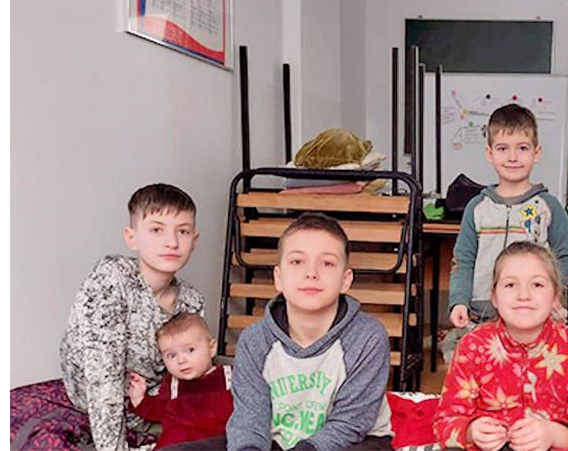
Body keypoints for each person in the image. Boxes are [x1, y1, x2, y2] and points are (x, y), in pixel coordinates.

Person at [220, 212, 392, 451]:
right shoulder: (254, 340)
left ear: (345, 280)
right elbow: (250, 419)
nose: (311, 273)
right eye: (297, 262)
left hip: (351, 443)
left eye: (327, 263)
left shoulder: (368, 337)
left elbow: (351, 423)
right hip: (276, 442)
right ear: (278, 278)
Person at [60, 183, 205, 451]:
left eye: (182, 231)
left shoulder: (191, 301)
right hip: (99, 402)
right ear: (132, 238)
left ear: (194, 240)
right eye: (156, 230)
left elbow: (189, 374)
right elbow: (103, 378)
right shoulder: (112, 281)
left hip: (154, 407)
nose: (172, 242)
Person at [434, 242, 568, 451]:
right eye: (510, 285)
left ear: (555, 297)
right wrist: (471, 431)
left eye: (537, 285)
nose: (524, 295)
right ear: (494, 296)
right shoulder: (473, 346)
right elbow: (444, 423)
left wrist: (553, 434)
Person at [446, 104, 568, 355]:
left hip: (533, 312)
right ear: (489, 153)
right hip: (481, 312)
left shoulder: (547, 206)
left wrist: (552, 292)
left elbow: (567, 256)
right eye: (503, 149)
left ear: (536, 153)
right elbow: (463, 260)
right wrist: (458, 301)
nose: (513, 157)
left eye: (523, 148)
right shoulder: (477, 207)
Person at [127, 313, 233, 450]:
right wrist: (139, 399)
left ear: (211, 348)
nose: (181, 360)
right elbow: (158, 410)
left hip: (215, 444)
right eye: (171, 355)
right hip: (175, 445)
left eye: (190, 350)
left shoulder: (229, 376)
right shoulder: (172, 384)